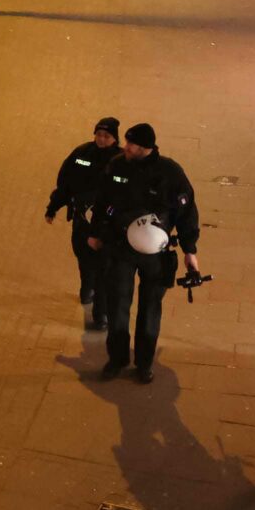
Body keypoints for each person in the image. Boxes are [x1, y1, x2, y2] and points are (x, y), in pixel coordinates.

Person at [89, 123, 201, 383]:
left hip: (156, 254)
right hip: (119, 249)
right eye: (127, 142)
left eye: (132, 144)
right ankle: (117, 359)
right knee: (118, 305)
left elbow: (187, 213)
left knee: (150, 308)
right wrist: (95, 233)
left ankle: (143, 363)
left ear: (146, 148)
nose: (125, 147)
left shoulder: (171, 174)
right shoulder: (117, 165)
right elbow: (102, 200)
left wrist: (189, 250)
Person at [44, 118, 120, 330]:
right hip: (81, 220)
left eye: (106, 136)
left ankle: (101, 313)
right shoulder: (81, 154)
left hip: (106, 224)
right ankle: (87, 286)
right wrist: (53, 207)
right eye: (99, 135)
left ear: (114, 138)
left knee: (104, 268)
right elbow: (65, 184)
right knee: (84, 258)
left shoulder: (121, 160)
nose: (101, 139)